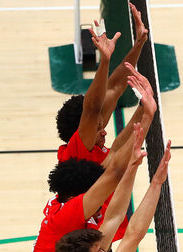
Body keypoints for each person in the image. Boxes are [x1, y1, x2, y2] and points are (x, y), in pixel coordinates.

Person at [56, 4, 149, 165]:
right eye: (98, 128)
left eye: (101, 125)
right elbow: (91, 108)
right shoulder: (77, 153)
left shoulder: (92, 144)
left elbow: (115, 87)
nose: (104, 131)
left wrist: (139, 43)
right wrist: (104, 61)